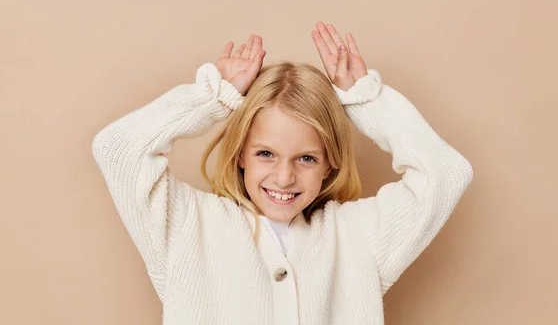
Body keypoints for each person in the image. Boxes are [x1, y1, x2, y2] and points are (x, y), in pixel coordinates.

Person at [92, 21, 474, 324]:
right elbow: (118, 149)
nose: (284, 177)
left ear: (330, 164)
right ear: (241, 153)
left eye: (306, 158)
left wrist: (366, 100)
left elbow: (445, 173)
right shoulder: (188, 227)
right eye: (266, 154)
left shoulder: (359, 237)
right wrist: (213, 97)